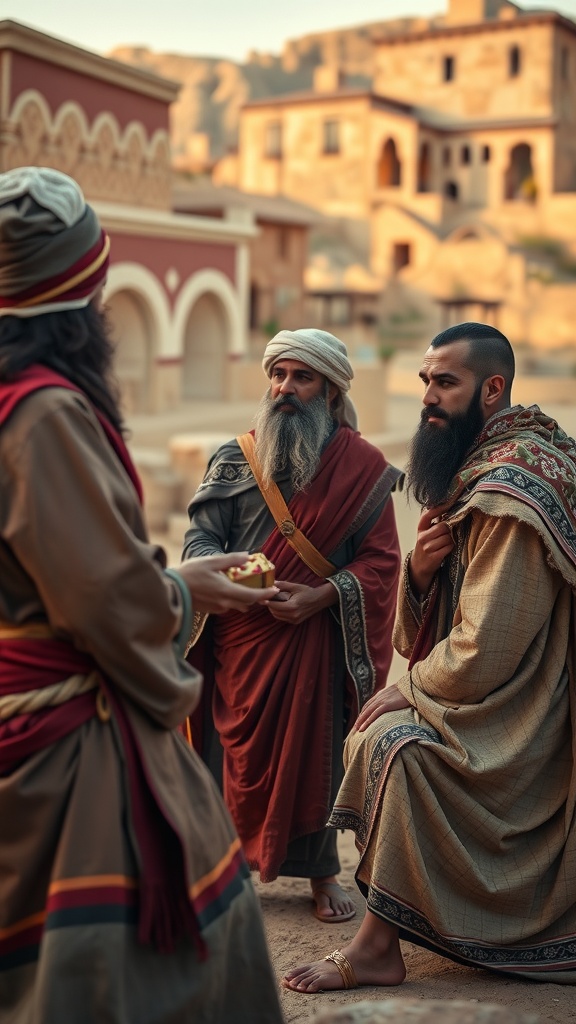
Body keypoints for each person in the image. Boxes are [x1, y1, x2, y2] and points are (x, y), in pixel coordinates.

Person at [0, 166, 284, 1024]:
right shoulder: (45, 417)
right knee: (135, 971)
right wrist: (182, 597)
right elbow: (106, 604)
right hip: (67, 753)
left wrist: (168, 582)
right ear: (85, 290)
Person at [283, 321, 576, 992]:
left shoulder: (511, 491)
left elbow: (484, 654)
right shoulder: (483, 469)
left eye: (446, 383)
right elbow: (431, 632)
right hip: (489, 700)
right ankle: (380, 937)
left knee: (396, 744)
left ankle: (375, 947)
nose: (429, 398)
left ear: (493, 389)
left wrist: (409, 689)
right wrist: (419, 574)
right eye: (426, 382)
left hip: (520, 727)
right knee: (385, 728)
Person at [182, 328, 402, 923]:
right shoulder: (233, 456)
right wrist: (225, 573)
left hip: (312, 640)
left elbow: (381, 563)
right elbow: (202, 534)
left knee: (314, 754)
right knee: (225, 755)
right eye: (278, 375)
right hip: (238, 637)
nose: (285, 388)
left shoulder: (365, 469)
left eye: (302, 377)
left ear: (329, 392)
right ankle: (219, 864)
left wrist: (321, 597)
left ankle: (321, 871)